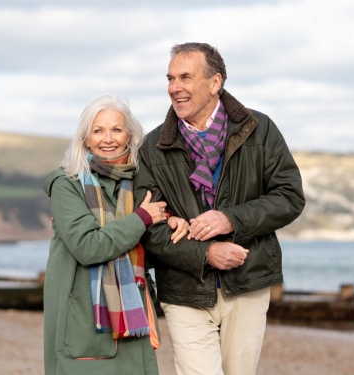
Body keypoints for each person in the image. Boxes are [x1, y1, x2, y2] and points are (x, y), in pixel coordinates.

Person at [134, 43, 305, 375]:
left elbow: (289, 196)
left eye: (185, 77)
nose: (174, 87)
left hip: (248, 282)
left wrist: (230, 218)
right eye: (170, 78)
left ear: (215, 83)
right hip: (184, 289)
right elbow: (149, 226)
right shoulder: (152, 148)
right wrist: (205, 253)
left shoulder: (261, 129)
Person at [42, 94, 189, 375]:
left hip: (133, 315)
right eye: (98, 130)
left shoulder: (138, 182)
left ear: (129, 136)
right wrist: (143, 218)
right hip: (85, 321)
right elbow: (88, 246)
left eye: (116, 130)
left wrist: (170, 223)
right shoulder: (66, 185)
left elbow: (147, 242)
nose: (107, 139)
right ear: (86, 138)